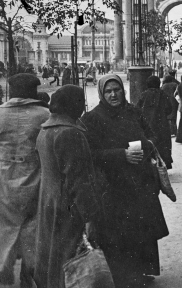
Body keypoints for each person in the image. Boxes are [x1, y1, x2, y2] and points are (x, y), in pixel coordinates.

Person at [81, 75, 168, 287]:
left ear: (123, 90)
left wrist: (145, 146)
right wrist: (122, 154)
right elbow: (90, 153)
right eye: (108, 91)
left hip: (140, 181)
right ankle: (123, 277)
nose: (113, 94)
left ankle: (143, 272)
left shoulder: (134, 112)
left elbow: (152, 136)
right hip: (113, 185)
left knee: (142, 229)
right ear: (102, 93)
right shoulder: (92, 119)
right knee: (119, 233)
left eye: (117, 90)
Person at [32, 85, 100, 288]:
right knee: (71, 259)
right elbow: (79, 180)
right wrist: (90, 215)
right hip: (68, 206)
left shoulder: (45, 130)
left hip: (50, 202)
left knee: (53, 256)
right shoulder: (71, 134)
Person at [0, 74, 48, 287]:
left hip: (4, 178)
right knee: (33, 227)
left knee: (6, 227)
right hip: (34, 175)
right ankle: (30, 274)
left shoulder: (0, 114)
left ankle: (4, 271)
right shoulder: (43, 114)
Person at [137, 76, 174, 169]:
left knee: (150, 144)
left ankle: (151, 165)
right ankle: (163, 164)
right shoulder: (163, 94)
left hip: (147, 124)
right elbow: (169, 108)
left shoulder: (143, 95)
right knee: (163, 145)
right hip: (162, 124)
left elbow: (137, 109)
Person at [161, 71, 179, 136]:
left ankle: (170, 131)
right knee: (174, 117)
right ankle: (175, 130)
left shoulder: (164, 86)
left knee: (168, 117)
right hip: (174, 101)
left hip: (166, 101)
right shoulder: (175, 84)